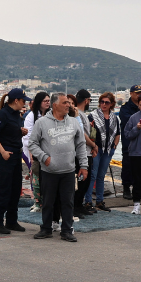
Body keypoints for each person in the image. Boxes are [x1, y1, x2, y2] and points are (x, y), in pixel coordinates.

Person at [28, 92, 88, 242]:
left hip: (68, 170)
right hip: (49, 171)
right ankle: (46, 228)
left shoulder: (74, 122)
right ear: (55, 105)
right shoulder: (41, 123)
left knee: (68, 202)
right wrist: (44, 157)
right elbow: (32, 144)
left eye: (68, 103)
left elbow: (81, 145)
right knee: (48, 201)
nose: (68, 105)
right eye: (65, 103)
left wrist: (84, 165)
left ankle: (67, 230)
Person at [0, 87, 29, 235]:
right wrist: (3, 151)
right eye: (23, 101)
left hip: (16, 155)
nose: (24, 104)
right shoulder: (2, 114)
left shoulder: (17, 115)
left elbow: (10, 131)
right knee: (4, 189)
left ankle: (11, 220)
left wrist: (21, 131)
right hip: (6, 156)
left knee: (15, 189)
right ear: (16, 100)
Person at [85, 91, 120, 211]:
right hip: (96, 148)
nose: (103, 104)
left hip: (108, 149)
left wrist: (114, 147)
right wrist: (93, 146)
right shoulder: (92, 115)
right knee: (92, 175)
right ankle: (88, 202)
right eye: (102, 102)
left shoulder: (114, 118)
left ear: (111, 104)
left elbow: (117, 134)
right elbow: (88, 133)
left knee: (101, 176)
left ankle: (99, 201)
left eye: (106, 102)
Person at [70, 89, 98, 215]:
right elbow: (81, 134)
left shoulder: (82, 115)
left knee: (85, 182)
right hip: (82, 152)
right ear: (86, 101)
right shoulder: (78, 114)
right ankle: (75, 206)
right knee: (81, 182)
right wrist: (93, 145)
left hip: (86, 151)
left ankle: (79, 205)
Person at [23, 91, 50, 213]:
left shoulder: (51, 115)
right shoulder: (31, 116)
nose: (48, 103)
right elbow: (28, 138)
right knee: (36, 177)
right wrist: (31, 154)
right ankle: (38, 201)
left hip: (48, 151)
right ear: (39, 103)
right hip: (34, 151)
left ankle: (47, 201)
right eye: (45, 101)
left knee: (47, 178)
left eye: (49, 101)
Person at [119, 85, 141, 199]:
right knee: (128, 166)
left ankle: (138, 188)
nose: (139, 95)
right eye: (137, 93)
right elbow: (128, 121)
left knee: (139, 167)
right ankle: (126, 188)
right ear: (131, 93)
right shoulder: (125, 107)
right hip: (128, 141)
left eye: (140, 93)